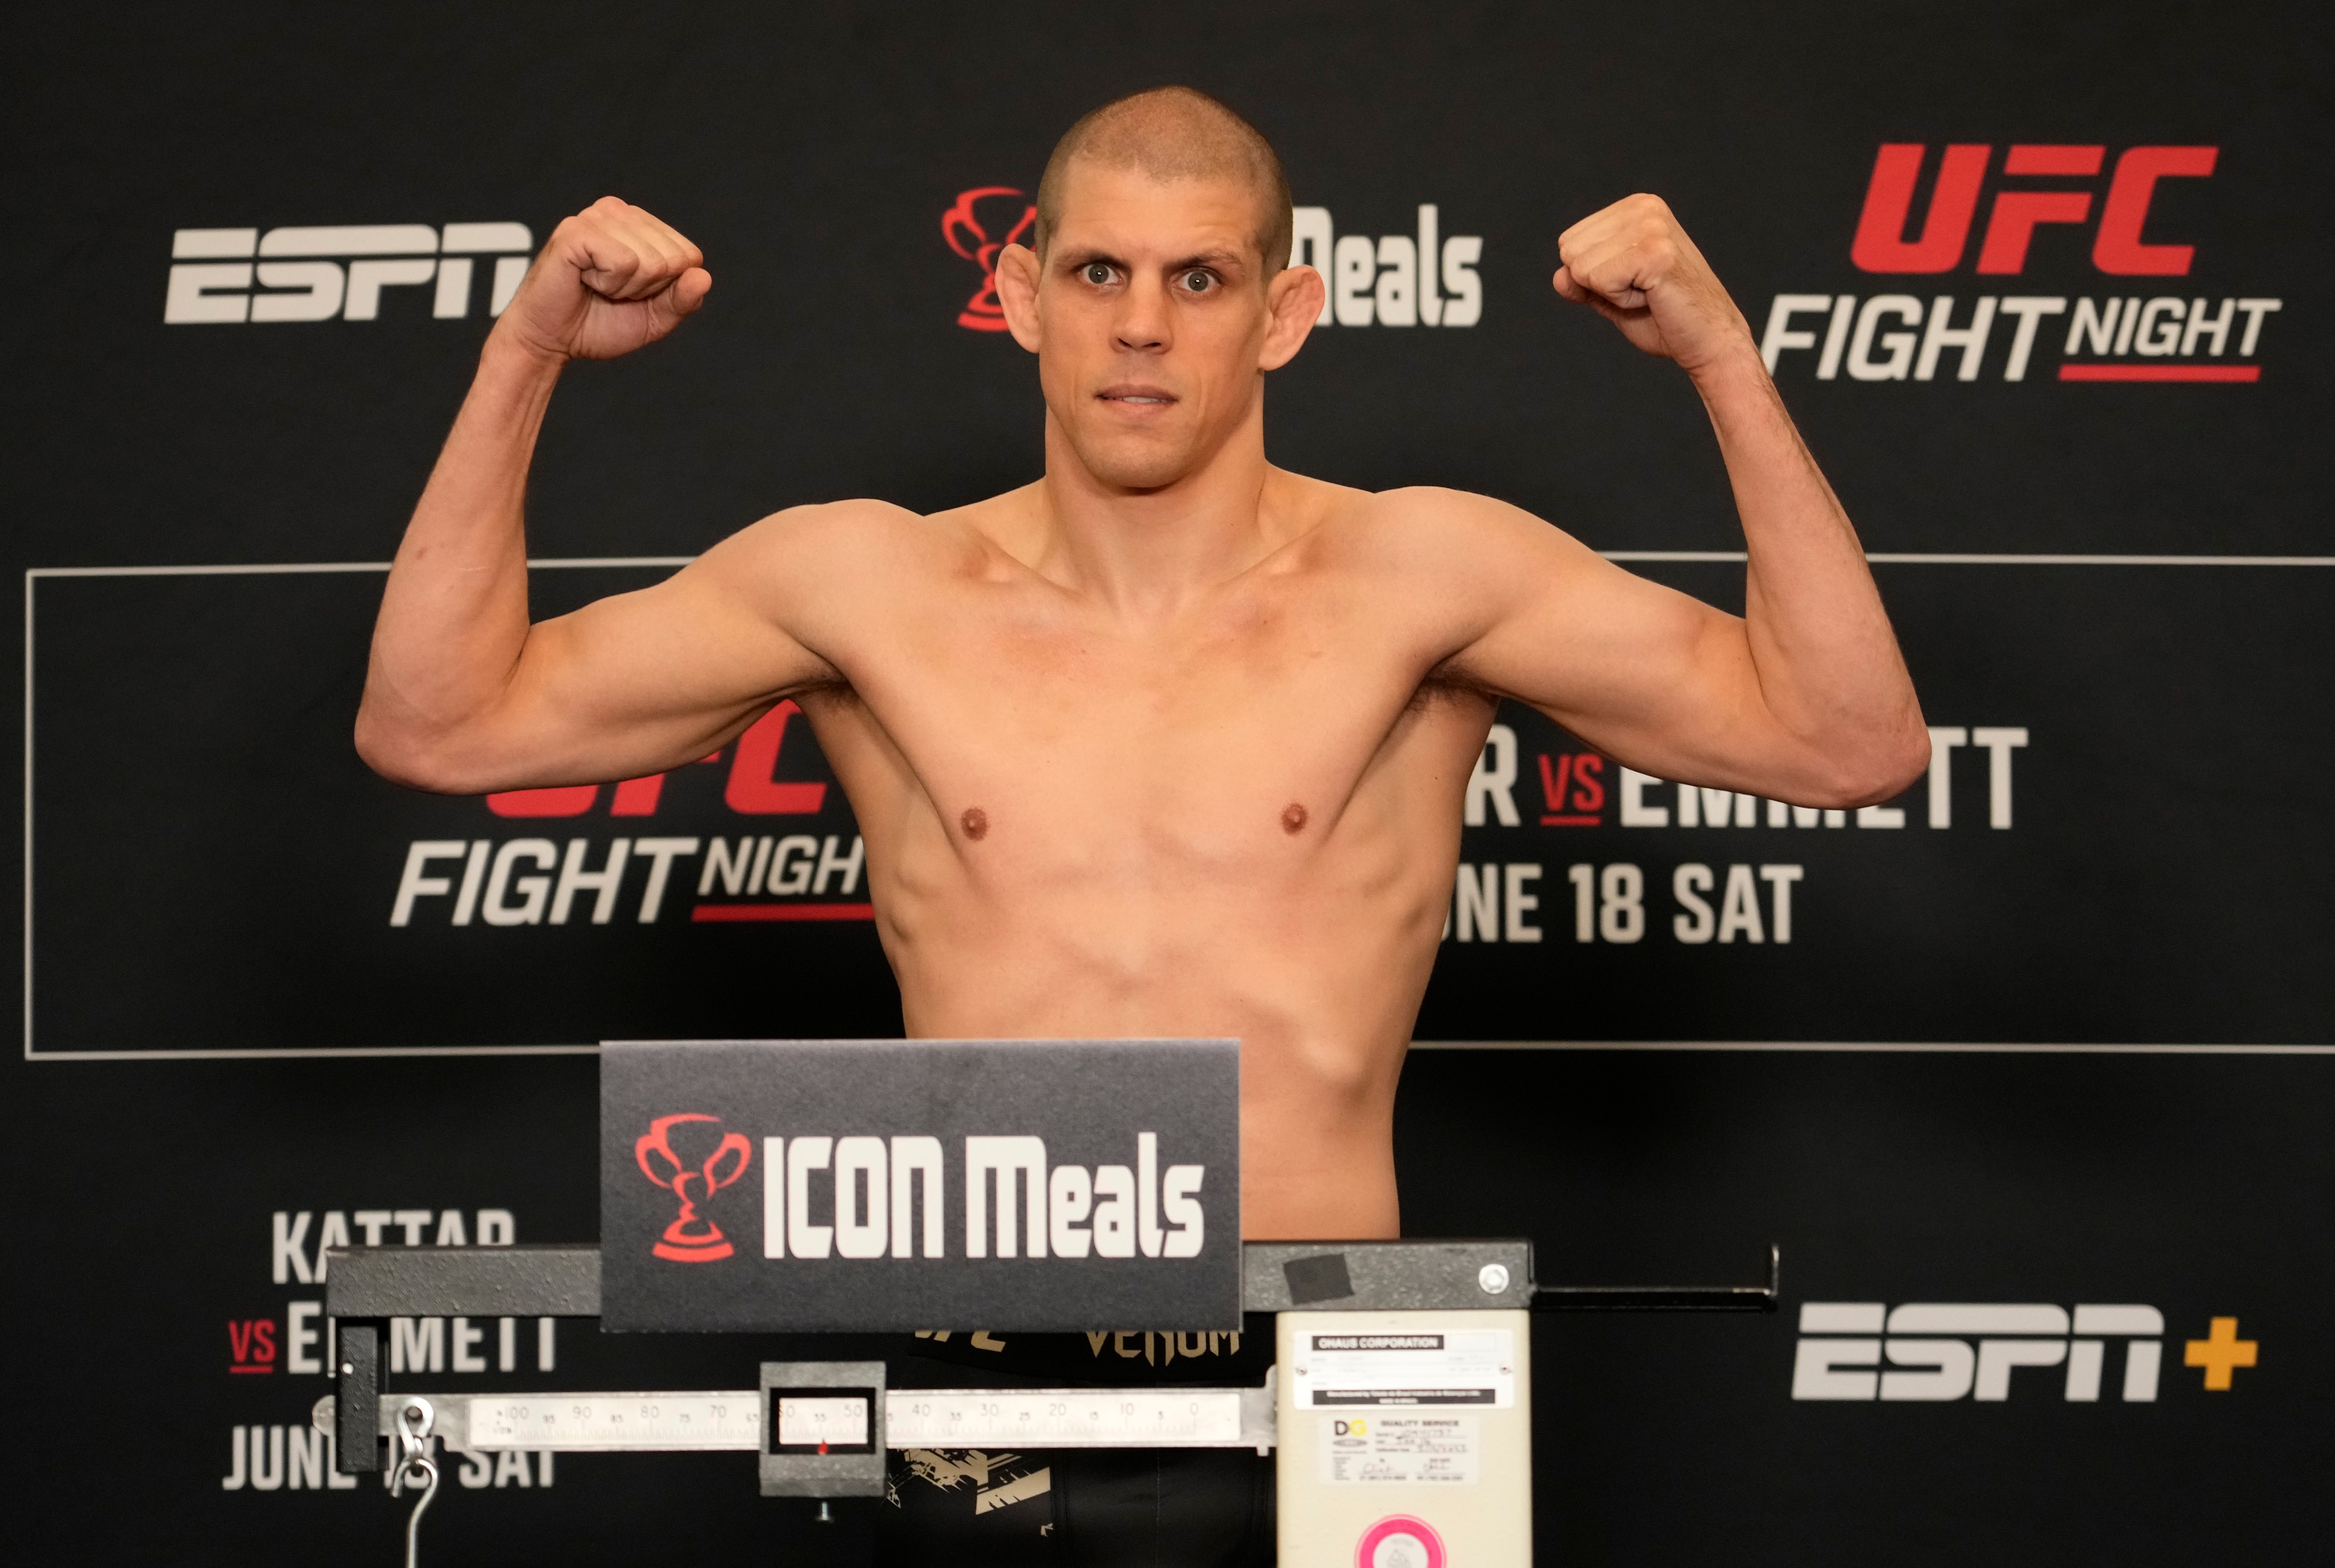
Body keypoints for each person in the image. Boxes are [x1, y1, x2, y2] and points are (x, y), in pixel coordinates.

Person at [356, 86, 1927, 1554]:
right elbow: (438, 721)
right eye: (1097, 270)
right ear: (1020, 293)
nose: (1140, 325)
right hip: (984, 1369)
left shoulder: (1422, 578)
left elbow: (1846, 740)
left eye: (1200, 279)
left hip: (1352, 1359)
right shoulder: (864, 589)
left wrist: (1722, 357)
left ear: (1284, 313)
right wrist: (525, 351)